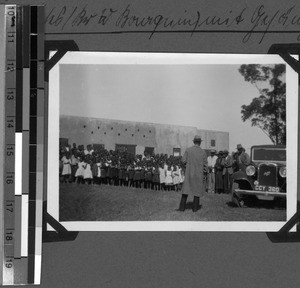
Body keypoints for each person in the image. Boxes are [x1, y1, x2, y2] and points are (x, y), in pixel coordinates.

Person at [178, 135, 208, 212]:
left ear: (194, 141)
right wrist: (204, 174)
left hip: (189, 174)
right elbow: (205, 166)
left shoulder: (188, 150)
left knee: (185, 191)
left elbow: (182, 161)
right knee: (197, 192)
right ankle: (195, 209)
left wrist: (186, 168)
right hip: (198, 175)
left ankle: (182, 208)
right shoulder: (203, 152)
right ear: (200, 142)